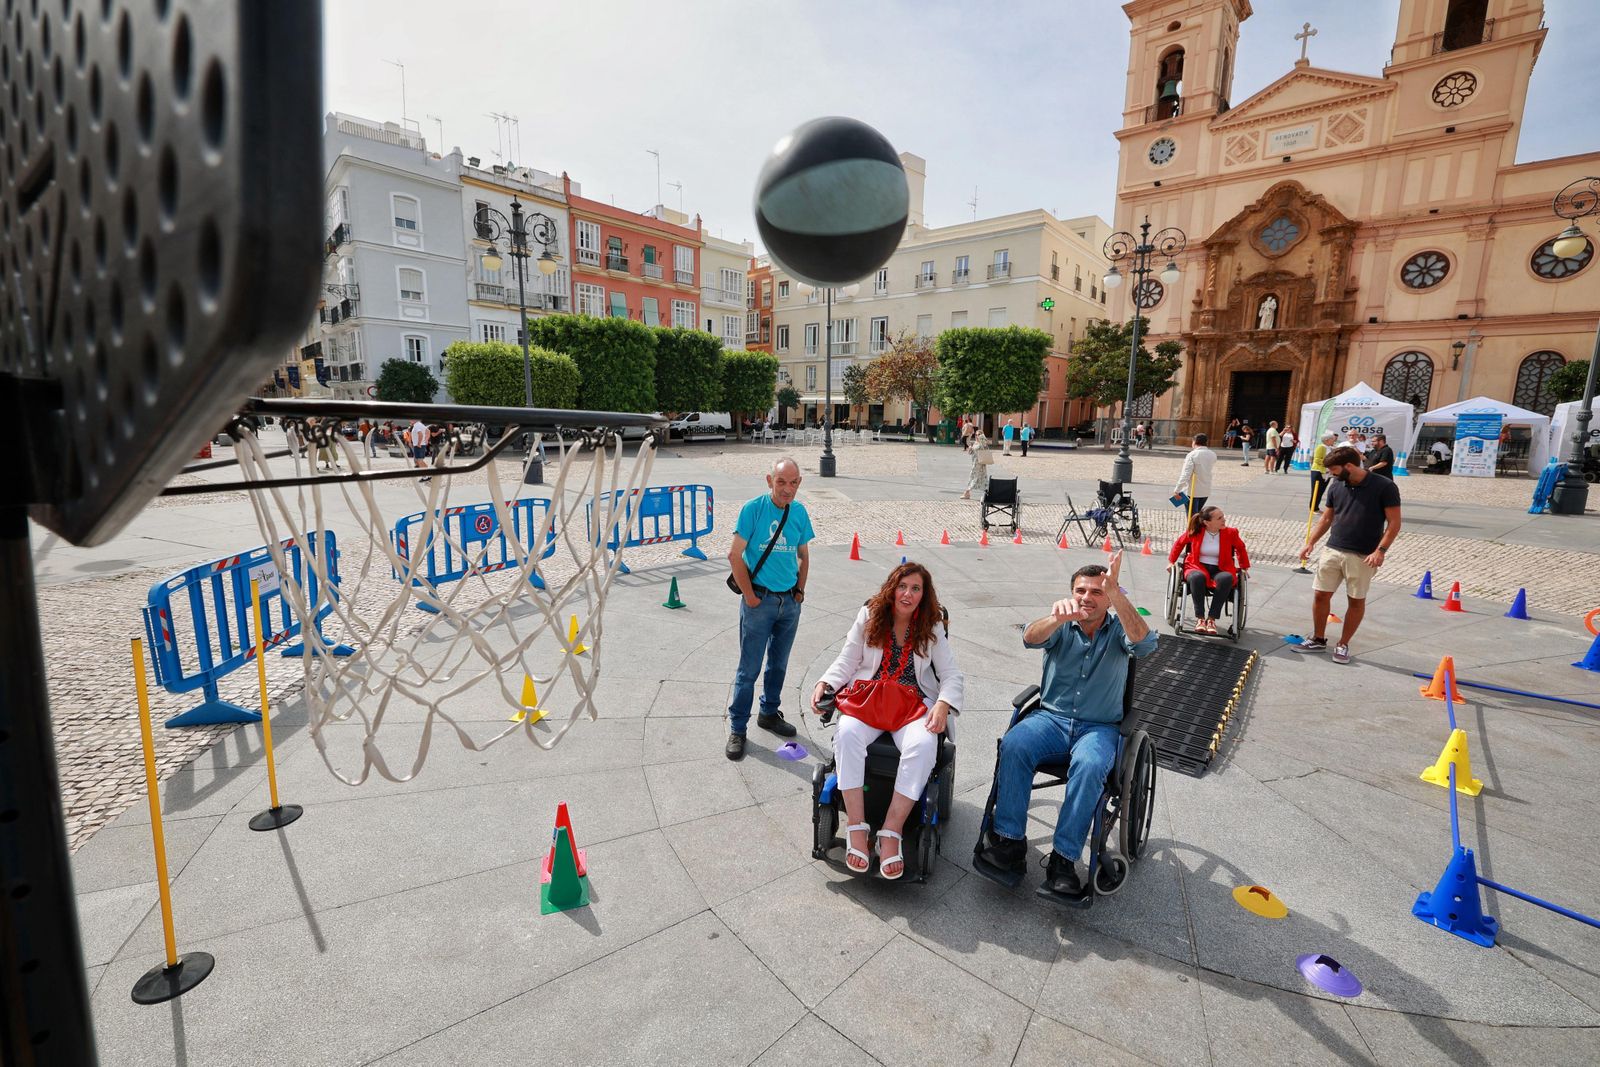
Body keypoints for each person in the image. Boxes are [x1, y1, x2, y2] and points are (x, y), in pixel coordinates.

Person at [976, 554, 1157, 903]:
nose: (1087, 597)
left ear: (1108, 597)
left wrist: (1117, 592)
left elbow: (1146, 645)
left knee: (1089, 767)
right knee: (1014, 745)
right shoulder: (1061, 624)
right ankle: (1010, 842)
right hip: (1051, 719)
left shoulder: (1120, 631)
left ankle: (1063, 860)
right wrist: (1056, 619)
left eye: (1097, 591)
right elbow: (1029, 637)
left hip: (1098, 727)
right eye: (1080, 590)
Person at [813, 562, 963, 879]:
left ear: (924, 595)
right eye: (902, 586)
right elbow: (848, 659)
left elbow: (950, 675)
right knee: (847, 733)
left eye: (916, 588)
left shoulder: (931, 625)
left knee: (923, 746)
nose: (907, 594)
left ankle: (890, 832)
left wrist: (943, 704)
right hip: (870, 698)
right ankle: (857, 827)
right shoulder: (870, 616)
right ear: (891, 587)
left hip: (911, 704)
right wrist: (825, 684)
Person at [725, 457, 815, 760]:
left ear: (799, 482)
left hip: (789, 602)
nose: (787, 489)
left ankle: (769, 712)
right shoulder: (753, 509)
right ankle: (738, 727)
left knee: (778, 664)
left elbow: (803, 554)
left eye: (793, 483)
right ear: (769, 480)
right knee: (748, 670)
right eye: (781, 482)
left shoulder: (800, 512)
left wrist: (799, 592)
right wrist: (750, 597)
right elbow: (734, 555)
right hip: (759, 602)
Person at [1294, 446, 1402, 664]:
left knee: (1355, 600)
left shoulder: (1385, 486)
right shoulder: (1336, 485)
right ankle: (1318, 638)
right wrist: (1310, 543)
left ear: (1349, 466)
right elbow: (1326, 519)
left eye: (1334, 469)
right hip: (1333, 549)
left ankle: (1343, 644)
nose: (1331, 474)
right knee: (1320, 594)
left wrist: (1380, 551)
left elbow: (1394, 523)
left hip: (1363, 555)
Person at [1167, 505, 1250, 636]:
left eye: (1223, 516)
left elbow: (1241, 548)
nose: (1224, 520)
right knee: (1197, 577)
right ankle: (1200, 618)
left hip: (1221, 568)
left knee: (1226, 578)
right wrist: (1171, 562)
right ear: (1207, 522)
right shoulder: (1196, 531)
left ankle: (1211, 619)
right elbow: (1179, 543)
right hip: (1197, 566)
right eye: (1219, 518)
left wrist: (1244, 567)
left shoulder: (1231, 533)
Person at [1173, 433, 1217, 516]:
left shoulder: (1192, 455)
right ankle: (1196, 528)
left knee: (1192, 516)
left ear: (1194, 442)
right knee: (1197, 515)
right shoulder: (1212, 454)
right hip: (1205, 489)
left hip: (1192, 490)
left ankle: (1193, 529)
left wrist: (1177, 489)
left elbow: (1186, 474)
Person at [961, 429, 992, 500]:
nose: (977, 436)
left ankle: (967, 492)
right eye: (976, 435)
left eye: (979, 435)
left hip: (980, 463)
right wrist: (970, 449)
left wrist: (982, 438)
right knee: (980, 478)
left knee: (974, 477)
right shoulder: (975, 443)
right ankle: (987, 493)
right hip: (974, 463)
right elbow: (971, 453)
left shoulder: (983, 443)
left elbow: (986, 447)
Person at [1310, 431, 1336, 507]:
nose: (1333, 441)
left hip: (1327, 472)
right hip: (1318, 471)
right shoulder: (1321, 447)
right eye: (1332, 439)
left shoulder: (1330, 448)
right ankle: (1313, 508)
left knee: (1321, 491)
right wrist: (1329, 463)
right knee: (1316, 491)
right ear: (1327, 440)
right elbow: (1317, 460)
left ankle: (1316, 507)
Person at [408, 416, 431, 481]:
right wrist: (426, 440)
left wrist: (419, 443)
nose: (409, 420)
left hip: (418, 446)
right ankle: (428, 474)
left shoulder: (416, 425)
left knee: (419, 461)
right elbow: (428, 431)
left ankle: (425, 477)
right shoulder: (420, 424)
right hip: (421, 445)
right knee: (420, 461)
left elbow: (420, 434)